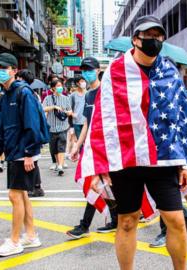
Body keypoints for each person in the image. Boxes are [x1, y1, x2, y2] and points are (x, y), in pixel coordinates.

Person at [76, 15, 187, 270]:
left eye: (158, 36)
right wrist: (98, 166)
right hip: (126, 158)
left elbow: (180, 117)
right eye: (148, 36)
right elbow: (102, 120)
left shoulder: (169, 70)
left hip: (164, 156)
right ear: (135, 40)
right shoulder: (115, 71)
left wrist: (184, 164)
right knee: (127, 220)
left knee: (176, 220)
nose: (154, 41)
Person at [0, 53, 45, 257]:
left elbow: (32, 124)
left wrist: (29, 153)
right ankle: (30, 236)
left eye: (3, 68)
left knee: (14, 195)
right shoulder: (5, 97)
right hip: (13, 152)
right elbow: (2, 128)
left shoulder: (23, 93)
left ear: (13, 70)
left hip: (23, 152)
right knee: (21, 194)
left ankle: (14, 241)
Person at [67, 57, 118, 239]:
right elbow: (88, 123)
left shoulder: (107, 91)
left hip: (106, 147)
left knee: (98, 184)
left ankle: (85, 225)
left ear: (98, 70)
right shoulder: (88, 95)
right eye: (83, 70)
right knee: (101, 185)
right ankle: (113, 220)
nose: (86, 73)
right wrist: (77, 146)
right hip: (91, 146)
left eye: (89, 69)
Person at [42, 79, 72, 176]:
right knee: (54, 147)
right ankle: (58, 163)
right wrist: (54, 107)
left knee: (61, 145)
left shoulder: (66, 98)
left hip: (63, 126)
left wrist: (68, 112)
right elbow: (43, 109)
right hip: (51, 127)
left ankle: (60, 166)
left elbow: (70, 111)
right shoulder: (47, 99)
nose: (60, 87)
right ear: (53, 88)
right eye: (58, 86)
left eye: (61, 85)